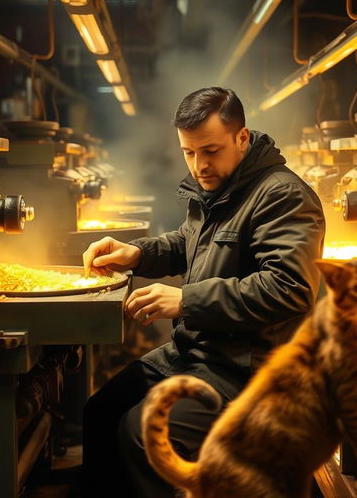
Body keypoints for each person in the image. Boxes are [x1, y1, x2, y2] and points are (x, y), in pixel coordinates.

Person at [81, 87, 325, 497]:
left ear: (242, 138)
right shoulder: (217, 187)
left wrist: (185, 300)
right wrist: (137, 254)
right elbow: (191, 243)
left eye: (210, 150)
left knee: (143, 437)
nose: (199, 165)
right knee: (100, 412)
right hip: (196, 351)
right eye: (189, 153)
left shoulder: (282, 195)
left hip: (248, 368)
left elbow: (290, 288)